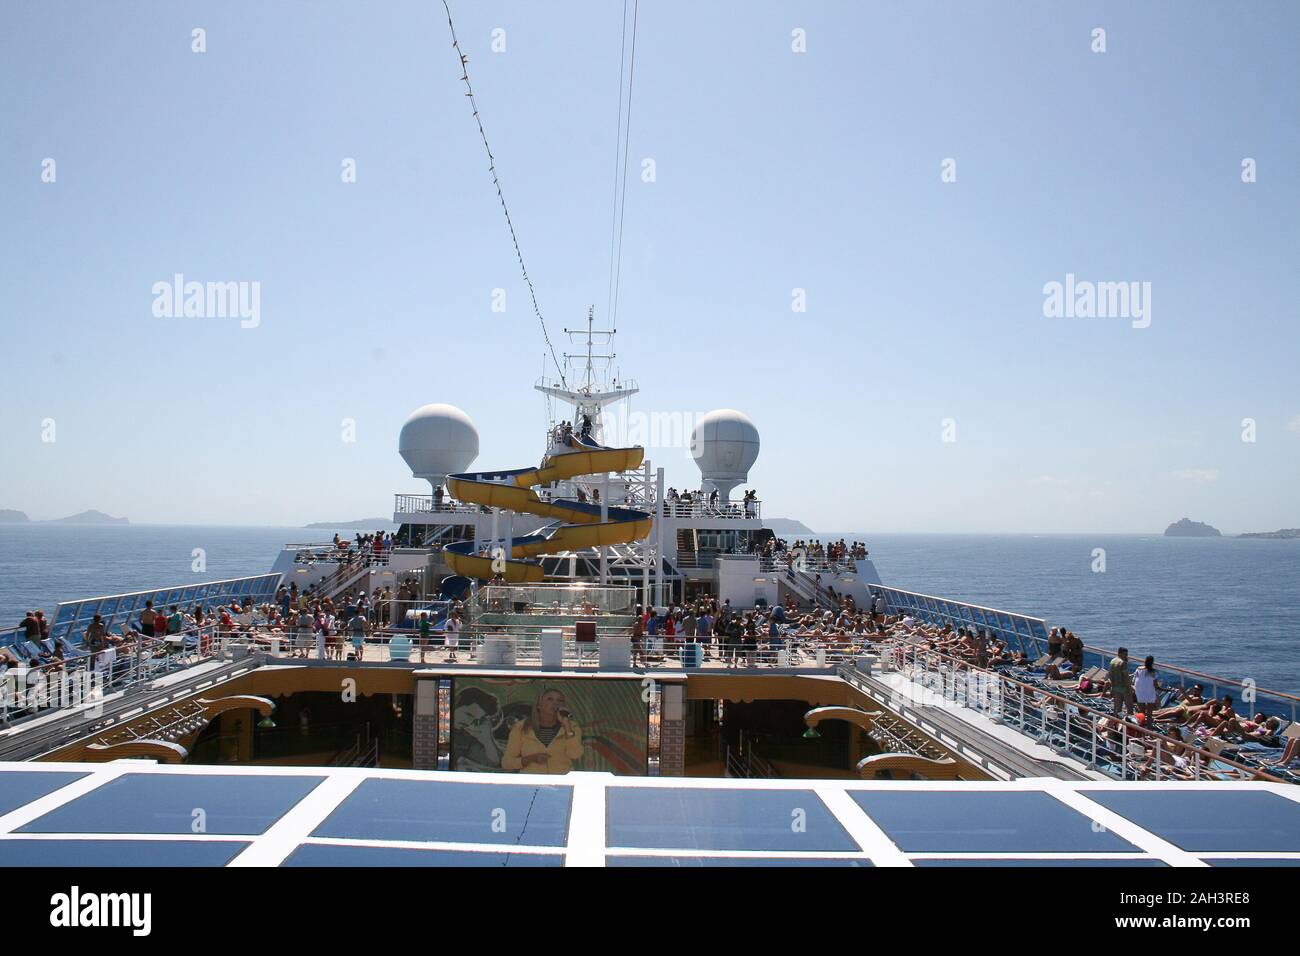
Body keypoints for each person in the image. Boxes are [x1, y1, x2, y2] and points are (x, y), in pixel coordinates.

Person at [501, 688, 584, 774]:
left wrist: (567, 726)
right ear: (538, 705)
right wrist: (531, 759)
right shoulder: (520, 727)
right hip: (532, 783)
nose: (555, 703)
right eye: (550, 699)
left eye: (560, 700)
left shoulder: (572, 727)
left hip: (561, 782)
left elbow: (575, 754)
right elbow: (507, 763)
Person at [1134, 655, 1161, 722]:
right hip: (1149, 692)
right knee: (1149, 712)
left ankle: (1141, 725)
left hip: (1139, 691)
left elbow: (1135, 680)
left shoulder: (1138, 669)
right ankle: (1149, 725)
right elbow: (1155, 685)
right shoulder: (1154, 672)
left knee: (1141, 712)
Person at [1108, 647, 1132, 716]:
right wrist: (1129, 688)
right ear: (1120, 653)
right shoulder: (1123, 663)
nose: (1126, 656)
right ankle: (1130, 724)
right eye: (1125, 654)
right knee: (1129, 707)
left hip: (1115, 686)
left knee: (1118, 707)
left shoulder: (1112, 661)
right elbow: (1125, 677)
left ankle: (1116, 721)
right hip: (1124, 687)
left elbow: (1110, 674)